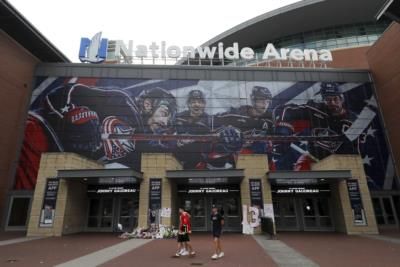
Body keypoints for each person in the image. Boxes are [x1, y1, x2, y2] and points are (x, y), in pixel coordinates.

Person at [273, 82, 357, 170]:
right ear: (323, 100)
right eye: (328, 100)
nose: (332, 103)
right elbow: (284, 110)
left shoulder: (353, 121)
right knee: (299, 173)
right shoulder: (316, 110)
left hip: (340, 161)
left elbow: (357, 148)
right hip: (313, 157)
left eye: (335, 99)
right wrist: (283, 131)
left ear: (341, 99)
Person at [175, 89, 212, 169]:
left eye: (199, 102)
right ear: (188, 104)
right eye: (193, 102)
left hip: (203, 161)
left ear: (204, 104)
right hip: (181, 160)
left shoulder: (210, 120)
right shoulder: (179, 117)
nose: (196, 104)